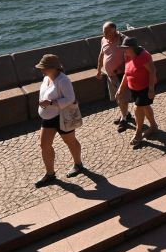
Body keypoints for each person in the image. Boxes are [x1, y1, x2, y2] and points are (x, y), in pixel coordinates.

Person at [34, 54, 86, 187]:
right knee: (44, 145)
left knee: (70, 141)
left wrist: (50, 103)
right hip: (47, 118)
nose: (42, 70)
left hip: (62, 117)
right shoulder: (46, 78)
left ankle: (78, 164)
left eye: (44, 68)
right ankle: (50, 174)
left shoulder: (63, 80)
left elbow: (70, 98)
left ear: (54, 68)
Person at [121, 37, 159, 146]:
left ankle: (138, 133)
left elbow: (152, 71)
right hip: (134, 88)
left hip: (146, 87)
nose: (124, 50)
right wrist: (121, 88)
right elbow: (126, 72)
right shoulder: (127, 55)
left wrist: (151, 89)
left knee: (137, 108)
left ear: (133, 48)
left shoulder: (144, 56)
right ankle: (153, 126)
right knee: (145, 106)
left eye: (125, 48)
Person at [96, 22, 130, 131]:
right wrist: (98, 70)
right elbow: (101, 55)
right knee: (117, 96)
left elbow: (131, 56)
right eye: (103, 31)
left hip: (120, 74)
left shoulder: (123, 39)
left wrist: (121, 68)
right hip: (110, 75)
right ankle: (126, 113)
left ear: (114, 30)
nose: (104, 34)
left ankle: (124, 119)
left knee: (121, 96)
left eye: (106, 31)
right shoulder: (103, 40)